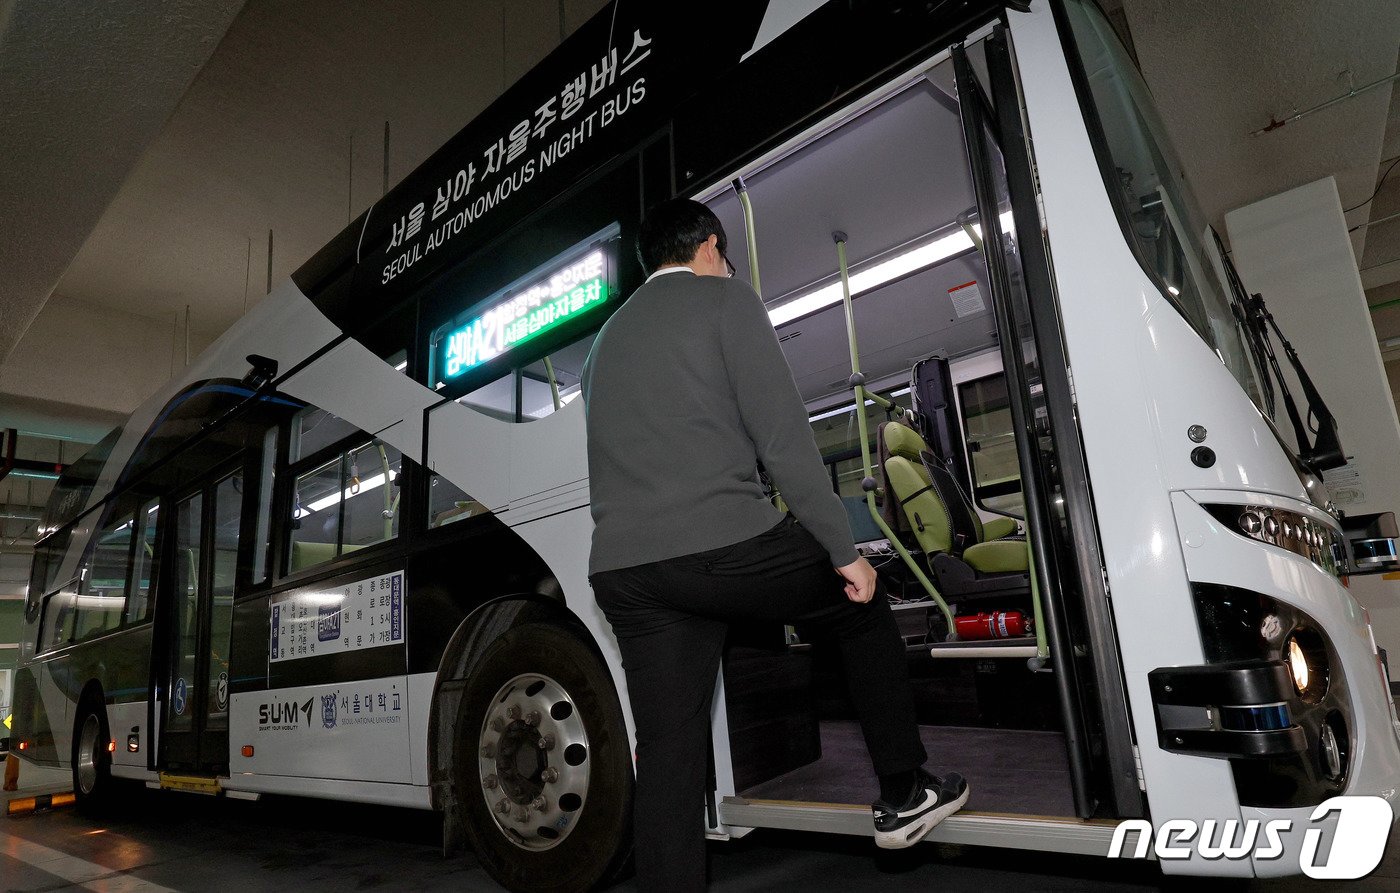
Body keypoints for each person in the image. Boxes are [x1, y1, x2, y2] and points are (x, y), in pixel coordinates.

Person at [582, 198, 968, 890]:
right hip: (724, 543)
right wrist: (843, 550)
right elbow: (784, 443)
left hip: (626, 571)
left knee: (670, 752)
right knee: (860, 602)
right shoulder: (724, 299)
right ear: (709, 246)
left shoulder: (602, 346)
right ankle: (906, 790)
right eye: (725, 256)